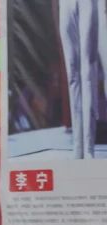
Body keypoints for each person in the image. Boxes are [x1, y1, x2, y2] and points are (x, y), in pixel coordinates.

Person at [60, 0, 98, 158]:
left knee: (87, 73)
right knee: (72, 74)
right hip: (65, 4)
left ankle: (88, 148)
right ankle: (78, 148)